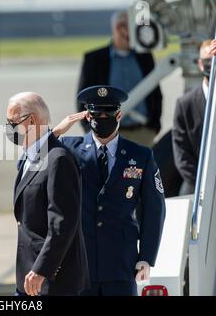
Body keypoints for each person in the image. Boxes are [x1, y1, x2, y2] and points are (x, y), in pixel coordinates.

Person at [53, 85, 166, 296]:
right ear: (88, 117)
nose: (102, 119)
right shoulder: (69, 149)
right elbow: (28, 165)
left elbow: (154, 209)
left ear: (119, 115)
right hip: (80, 263)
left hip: (121, 263)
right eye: (97, 114)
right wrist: (55, 132)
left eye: (108, 114)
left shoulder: (140, 155)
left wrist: (147, 257)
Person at [5, 92, 89, 296]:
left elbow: (61, 223)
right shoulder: (30, 158)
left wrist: (41, 270)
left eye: (12, 121)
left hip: (51, 280)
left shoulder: (58, 160)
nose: (8, 128)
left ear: (31, 120)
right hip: (28, 277)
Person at [77, 11, 163, 147]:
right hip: (108, 136)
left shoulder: (145, 57)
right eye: (134, 28)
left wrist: (153, 127)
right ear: (120, 28)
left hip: (143, 133)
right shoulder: (94, 59)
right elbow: (83, 99)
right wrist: (94, 131)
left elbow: (155, 94)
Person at [172, 39, 216, 195]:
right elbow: (181, 154)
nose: (211, 65)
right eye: (207, 61)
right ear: (199, 64)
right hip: (197, 185)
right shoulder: (185, 104)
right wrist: (204, 184)